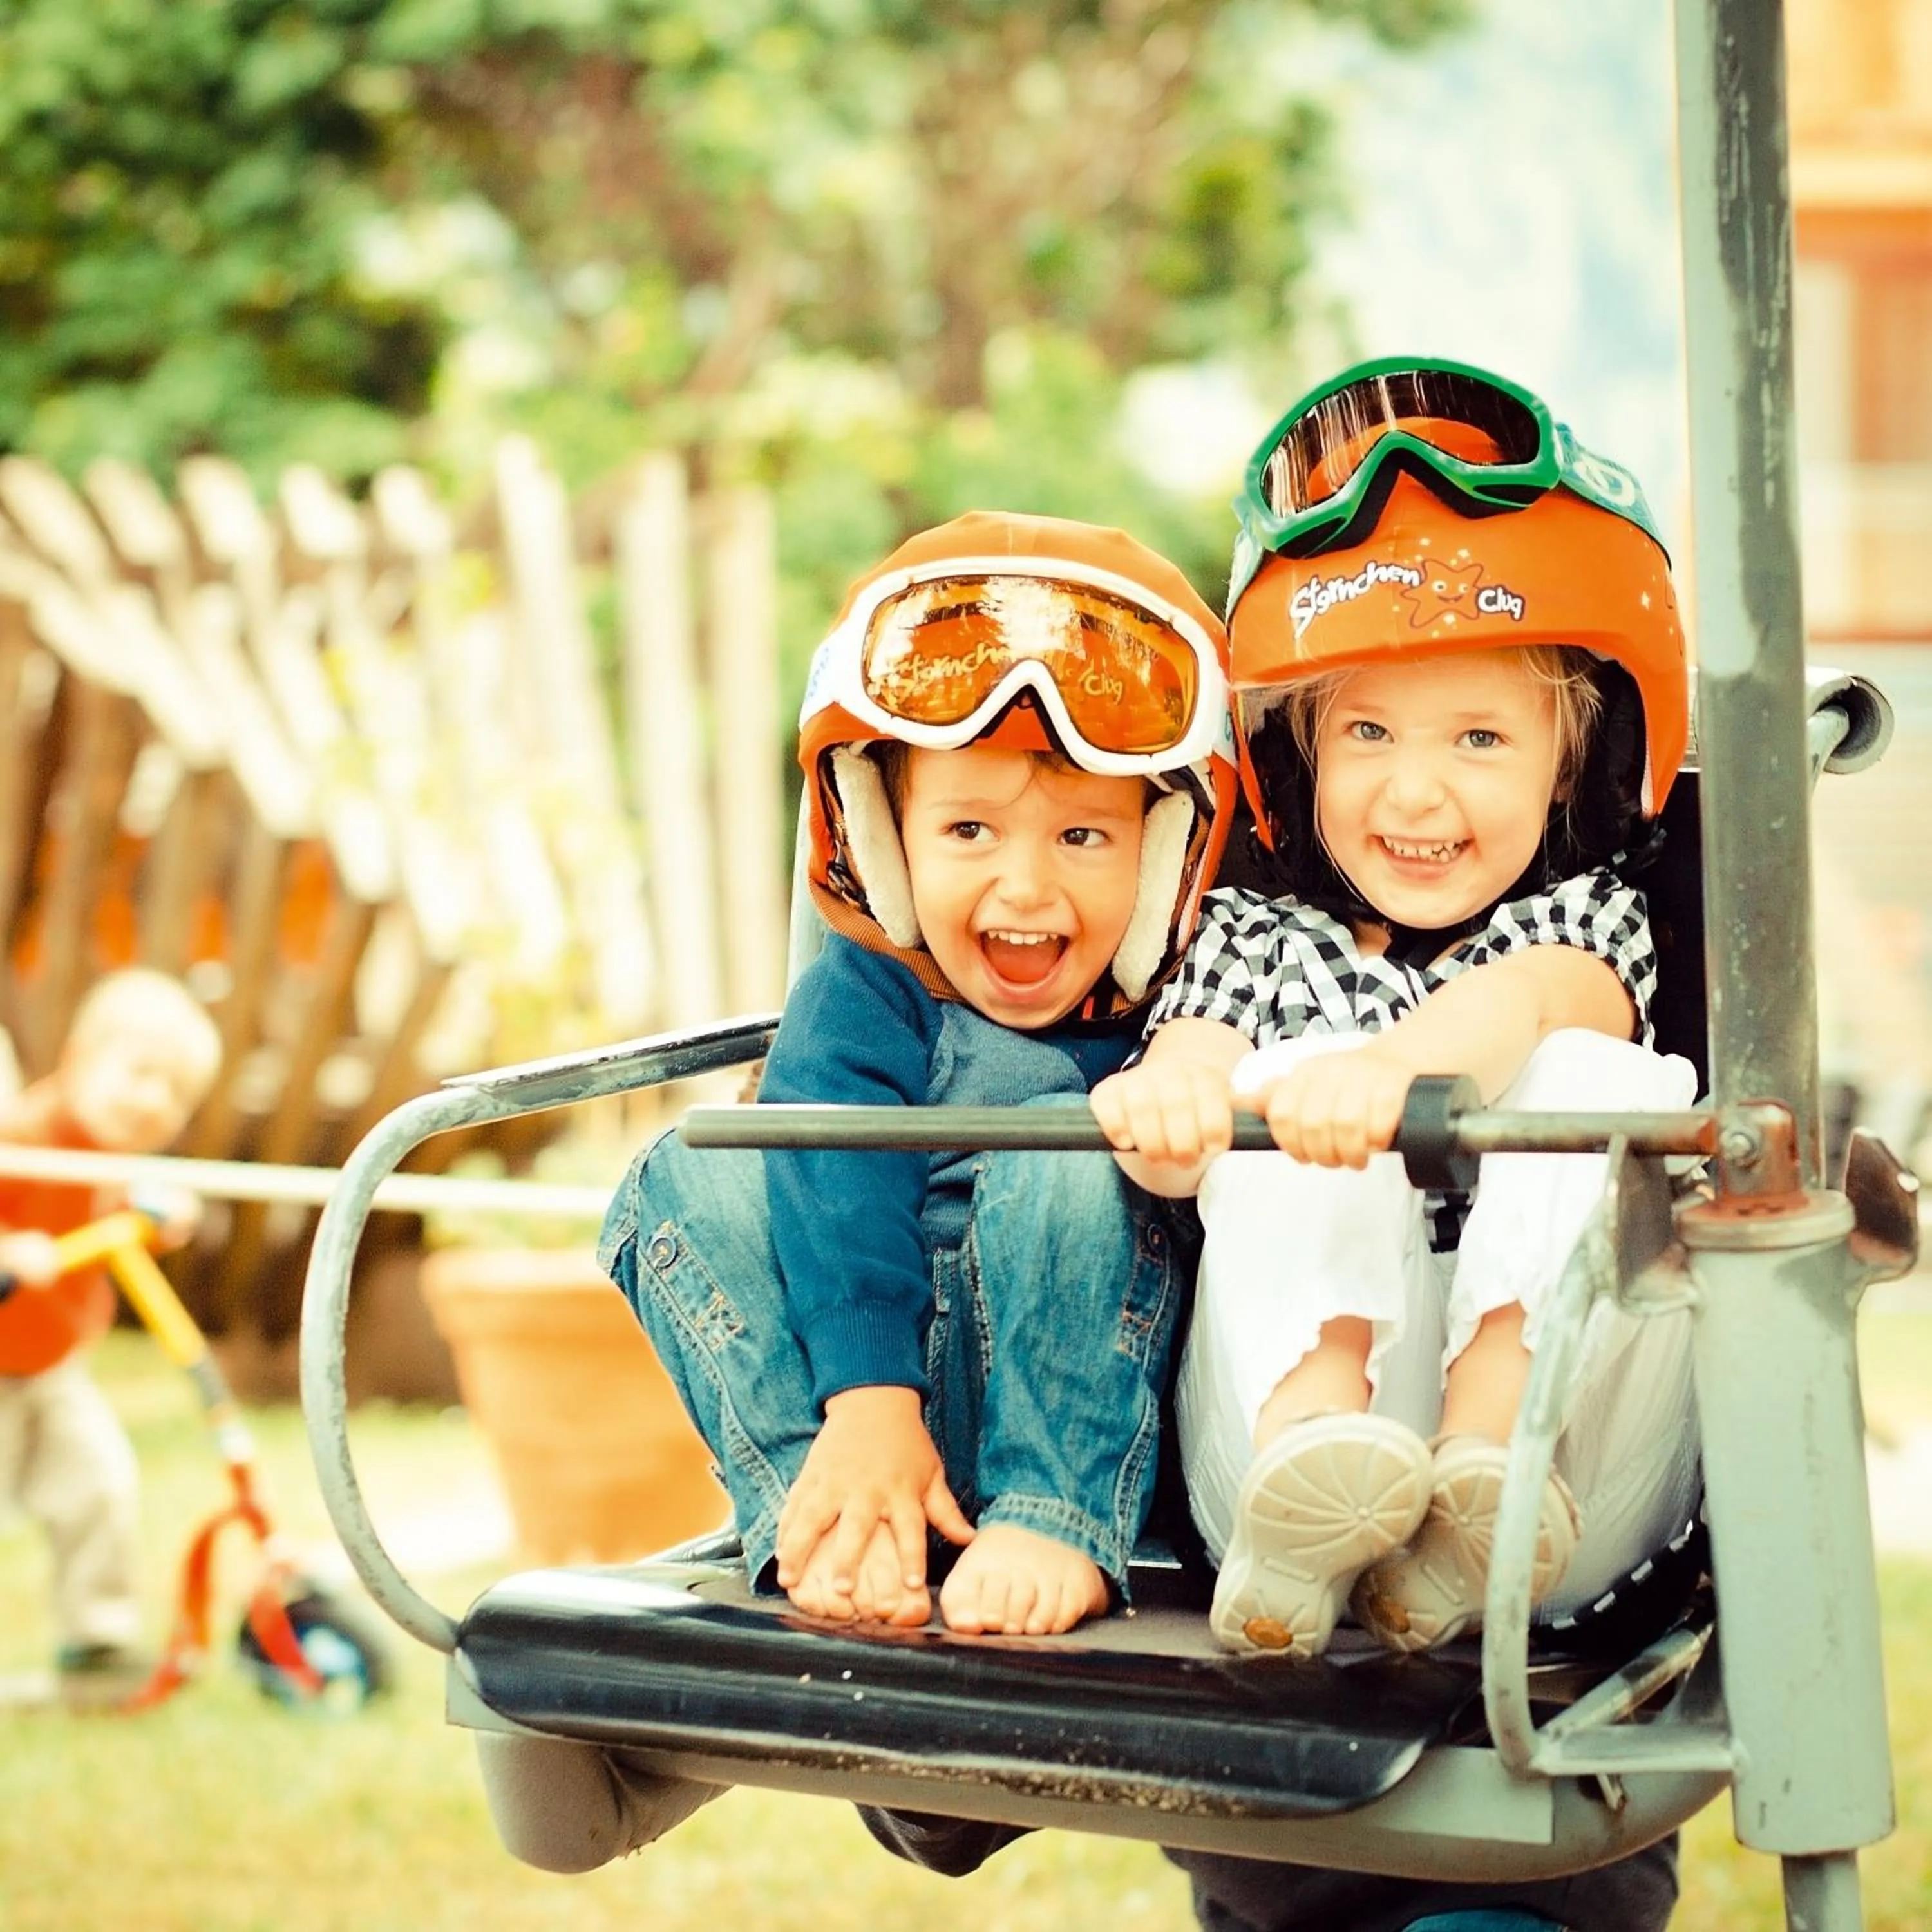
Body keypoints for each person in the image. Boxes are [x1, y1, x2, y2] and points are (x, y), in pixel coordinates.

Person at [475, 509, 1237, 1870]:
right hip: (856, 1397)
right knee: (690, 1175)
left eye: (1084, 836)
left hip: (1057, 1412)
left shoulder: (1174, 1010)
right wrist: (871, 1408)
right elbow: (827, 1170)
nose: (1025, 883)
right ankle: (825, 1526)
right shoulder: (870, 984)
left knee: (1076, 1156)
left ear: (1167, 850)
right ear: (881, 842)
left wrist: (1193, 1071)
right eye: (967, 827)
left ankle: (1050, 1528)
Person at [1092, 357, 1703, 1666]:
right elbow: (1193, 1062)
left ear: (1565, 768)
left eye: (1478, 740)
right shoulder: (1255, 936)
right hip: (1268, 1457)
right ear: (1301, 754)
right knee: (1275, 1076)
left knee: (1596, 1077)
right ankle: (1317, 1471)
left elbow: (1533, 1005)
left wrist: (1392, 1071)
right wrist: (1174, 1104)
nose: (1416, 793)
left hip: (1570, 1465)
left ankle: (1485, 1467)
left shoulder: (1586, 920)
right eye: (1369, 735)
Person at [0, 968, 221, 1705]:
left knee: (98, 1481)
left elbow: (131, 1206)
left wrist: (165, 1212)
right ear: (78, 1059)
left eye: (177, 1094)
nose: (156, 1102)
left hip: (53, 1365)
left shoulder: (111, 1155)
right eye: (140, 1075)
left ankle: (97, 1639)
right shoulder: (27, 1137)